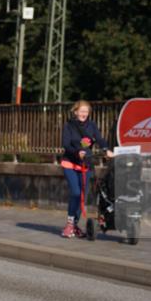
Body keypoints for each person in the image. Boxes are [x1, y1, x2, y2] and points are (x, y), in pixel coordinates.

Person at [60, 100, 113, 238]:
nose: (84, 114)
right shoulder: (69, 126)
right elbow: (65, 144)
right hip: (70, 163)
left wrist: (106, 149)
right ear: (76, 111)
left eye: (86, 111)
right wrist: (77, 152)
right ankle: (69, 224)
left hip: (86, 164)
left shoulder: (92, 125)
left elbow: (100, 139)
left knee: (82, 196)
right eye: (81, 111)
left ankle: (75, 226)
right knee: (76, 193)